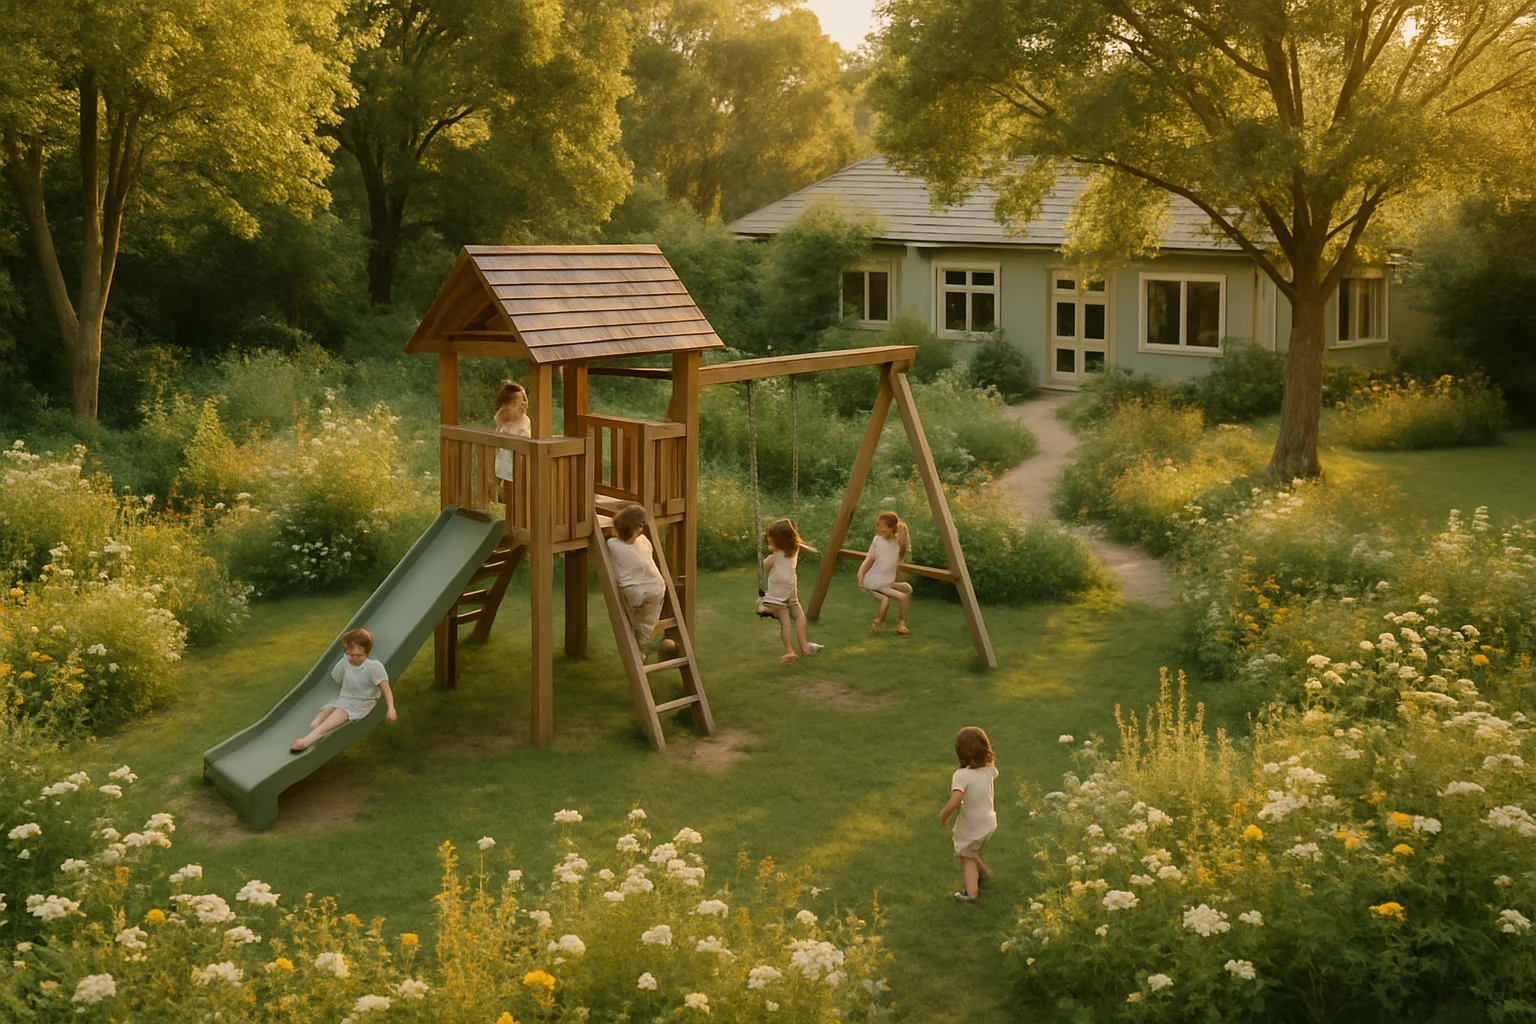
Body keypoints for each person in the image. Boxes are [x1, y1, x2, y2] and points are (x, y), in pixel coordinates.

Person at [291, 628, 395, 753]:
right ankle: (317, 722)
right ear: (346, 652)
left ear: (367, 653)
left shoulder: (373, 667)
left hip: (360, 703)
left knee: (337, 714)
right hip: (345, 698)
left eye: (360, 655)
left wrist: (391, 708)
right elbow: (337, 676)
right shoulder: (346, 662)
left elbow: (386, 689)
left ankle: (307, 740)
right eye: (351, 655)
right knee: (331, 706)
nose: (355, 658)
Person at [608, 504, 676, 660]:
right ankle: (642, 650)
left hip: (633, 590)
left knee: (634, 622)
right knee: (647, 623)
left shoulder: (612, 544)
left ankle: (640, 651)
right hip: (655, 587)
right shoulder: (644, 541)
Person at [939, 726, 997, 903]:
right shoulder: (988, 769)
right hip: (989, 823)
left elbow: (956, 799)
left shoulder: (961, 775)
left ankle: (971, 894)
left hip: (973, 825)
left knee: (966, 856)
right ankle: (985, 874)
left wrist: (944, 814)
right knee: (969, 850)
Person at [760, 518, 824, 664]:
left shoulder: (776, 555)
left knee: (785, 620)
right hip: (790, 589)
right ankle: (805, 648)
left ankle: (789, 651)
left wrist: (767, 561)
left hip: (777, 593)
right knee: (799, 616)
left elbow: (766, 565)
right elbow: (809, 549)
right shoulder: (794, 548)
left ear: (777, 540)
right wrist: (805, 545)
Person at [858, 511, 915, 634]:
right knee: (895, 598)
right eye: (878, 528)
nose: (879, 531)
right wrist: (860, 574)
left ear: (892, 528)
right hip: (877, 580)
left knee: (906, 590)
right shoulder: (877, 540)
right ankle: (888, 622)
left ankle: (895, 622)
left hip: (885, 580)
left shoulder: (897, 542)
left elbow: (902, 546)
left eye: (883, 530)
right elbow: (869, 558)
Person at [492, 381, 531, 485]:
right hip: (504, 466)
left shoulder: (524, 421)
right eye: (515, 403)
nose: (522, 404)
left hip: (518, 467)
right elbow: (496, 440)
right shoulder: (503, 420)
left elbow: (525, 438)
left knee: (514, 492)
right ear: (504, 407)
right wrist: (499, 423)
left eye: (524, 401)